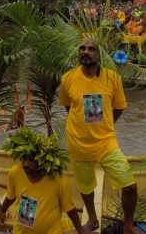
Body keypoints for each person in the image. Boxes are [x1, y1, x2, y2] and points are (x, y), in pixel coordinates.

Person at [59, 38, 139, 234]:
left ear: (99, 54)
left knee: (129, 186)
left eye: (91, 49)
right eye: (82, 49)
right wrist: (82, 126)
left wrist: (105, 125)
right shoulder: (68, 78)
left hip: (106, 143)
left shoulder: (112, 78)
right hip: (78, 143)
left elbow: (119, 108)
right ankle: (93, 219)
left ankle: (128, 225)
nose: (85, 52)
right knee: (86, 188)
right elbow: (70, 107)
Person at [0, 126, 89, 234]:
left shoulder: (58, 180)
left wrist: (81, 231)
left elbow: (69, 208)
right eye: (23, 158)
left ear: (43, 161)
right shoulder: (15, 172)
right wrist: (2, 211)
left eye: (31, 160)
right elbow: (10, 196)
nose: (25, 164)